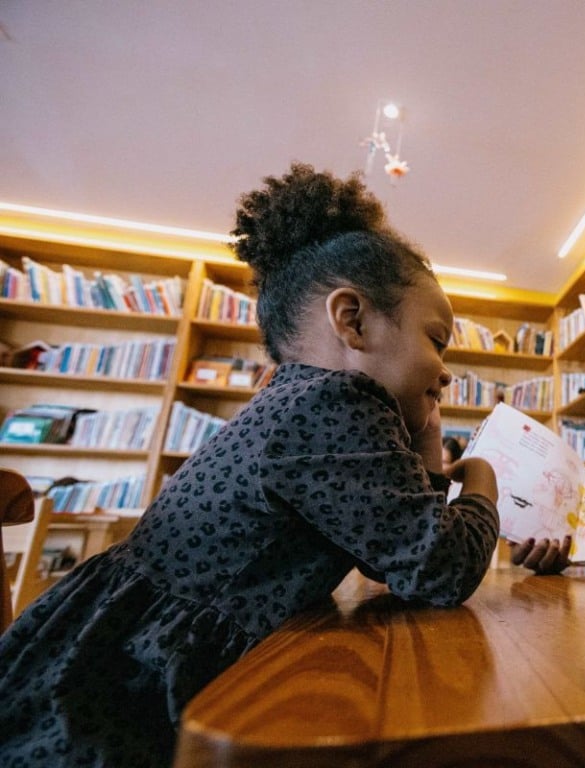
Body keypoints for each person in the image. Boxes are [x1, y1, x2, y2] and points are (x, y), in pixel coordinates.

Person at [0, 163, 500, 767]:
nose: (445, 370)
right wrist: (482, 482)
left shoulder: (297, 401)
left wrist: (426, 448)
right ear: (352, 320)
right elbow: (440, 568)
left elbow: (390, 554)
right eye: (437, 340)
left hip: (116, 651)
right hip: (122, 691)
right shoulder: (336, 403)